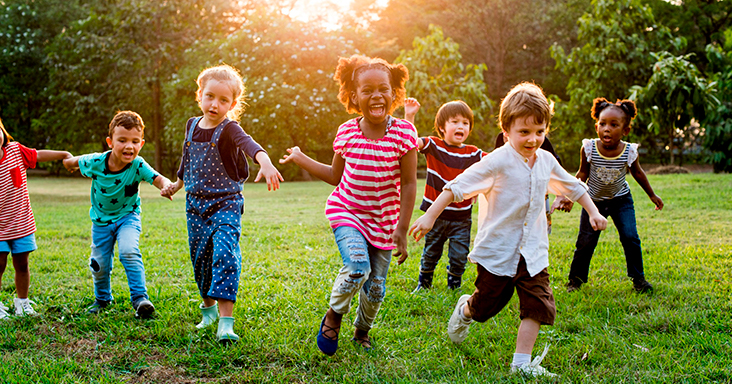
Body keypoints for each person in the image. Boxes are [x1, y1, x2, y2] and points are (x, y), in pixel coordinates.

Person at [409, 82, 608, 377]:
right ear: (506, 132)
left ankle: (521, 364)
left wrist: (593, 211)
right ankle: (466, 309)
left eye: (539, 131)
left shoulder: (546, 161)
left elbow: (573, 186)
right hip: (499, 251)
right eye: (524, 132)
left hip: (533, 251)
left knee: (538, 304)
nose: (533, 139)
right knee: (485, 307)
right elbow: (456, 188)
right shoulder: (496, 162)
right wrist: (429, 218)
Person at [280, 55, 417, 356]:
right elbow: (333, 176)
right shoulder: (346, 132)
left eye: (383, 88)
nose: (376, 95)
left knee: (376, 288)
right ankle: (334, 315)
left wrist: (402, 228)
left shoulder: (404, 134)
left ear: (394, 94)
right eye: (367, 90)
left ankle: (362, 330)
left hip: (384, 220)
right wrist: (301, 157)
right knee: (357, 268)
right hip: (348, 212)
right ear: (355, 96)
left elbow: (408, 184)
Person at [161, 64, 283, 343]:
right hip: (194, 206)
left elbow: (250, 144)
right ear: (199, 95)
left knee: (225, 254)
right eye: (210, 96)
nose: (215, 104)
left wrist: (265, 161)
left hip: (226, 203)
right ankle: (209, 312)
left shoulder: (230, 129)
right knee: (201, 258)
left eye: (223, 100)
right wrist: (177, 185)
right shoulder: (191, 125)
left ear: (232, 104)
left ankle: (226, 323)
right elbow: (186, 160)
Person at [63, 111, 171, 319]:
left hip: (127, 217)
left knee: (129, 251)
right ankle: (103, 299)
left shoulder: (138, 165)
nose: (129, 146)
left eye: (135, 141)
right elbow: (74, 161)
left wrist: (167, 186)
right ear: (110, 142)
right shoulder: (96, 161)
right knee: (99, 264)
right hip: (101, 222)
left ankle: (140, 299)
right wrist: (68, 163)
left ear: (141, 143)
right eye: (122, 140)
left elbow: (158, 178)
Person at [561, 98, 663, 294]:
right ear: (596, 126)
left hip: (621, 201)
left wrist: (652, 195)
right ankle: (576, 280)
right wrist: (570, 196)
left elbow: (638, 173)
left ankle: (638, 279)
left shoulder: (629, 151)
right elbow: (582, 174)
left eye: (614, 125)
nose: (607, 129)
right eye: (603, 124)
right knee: (585, 242)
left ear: (625, 130)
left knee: (630, 237)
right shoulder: (589, 148)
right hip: (593, 203)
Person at [403, 98, 485, 292]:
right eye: (455, 122)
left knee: (459, 255)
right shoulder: (433, 145)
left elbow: (496, 163)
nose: (461, 126)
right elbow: (410, 143)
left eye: (465, 123)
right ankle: (424, 284)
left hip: (461, 218)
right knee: (430, 252)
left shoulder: (473, 154)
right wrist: (410, 115)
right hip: (435, 217)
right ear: (442, 127)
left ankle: (454, 286)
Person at [0, 118, 72, 318]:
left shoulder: (15, 151)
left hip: (21, 222)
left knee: (22, 264)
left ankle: (22, 302)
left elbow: (38, 154)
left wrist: (64, 154)